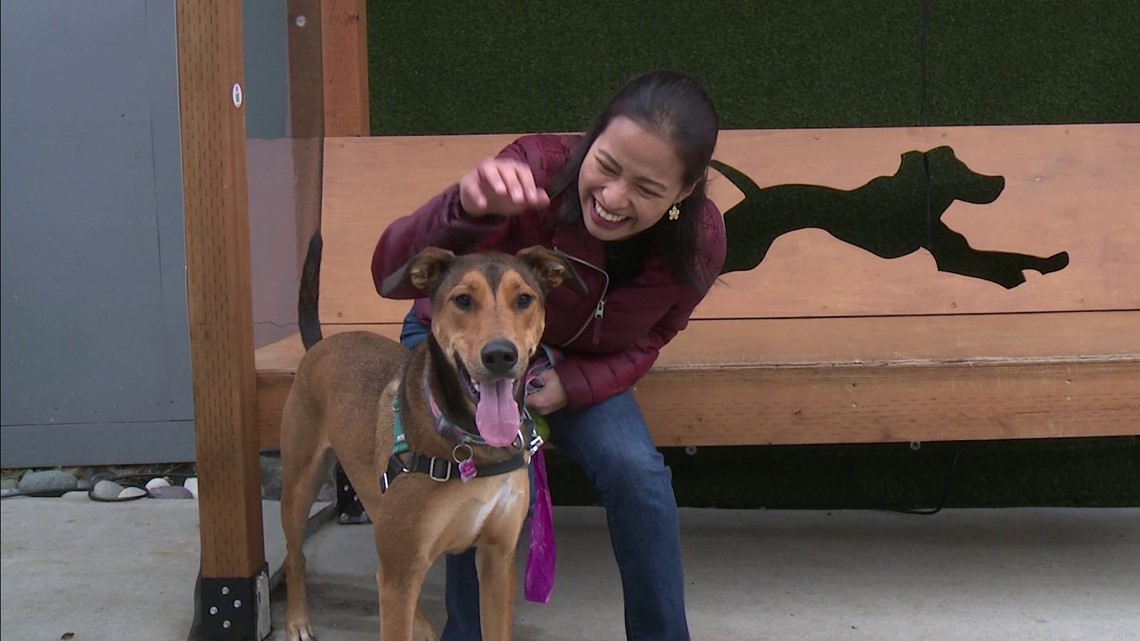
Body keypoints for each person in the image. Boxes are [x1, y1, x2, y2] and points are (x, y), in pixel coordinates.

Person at [371, 70, 725, 641]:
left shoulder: (700, 243)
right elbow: (389, 275)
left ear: (683, 193)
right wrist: (461, 206)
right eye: (606, 166)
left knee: (636, 472)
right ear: (590, 140)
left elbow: (653, 336)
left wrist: (576, 384)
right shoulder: (528, 173)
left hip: (571, 372)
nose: (612, 199)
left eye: (647, 189)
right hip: (458, 350)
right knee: (468, 466)